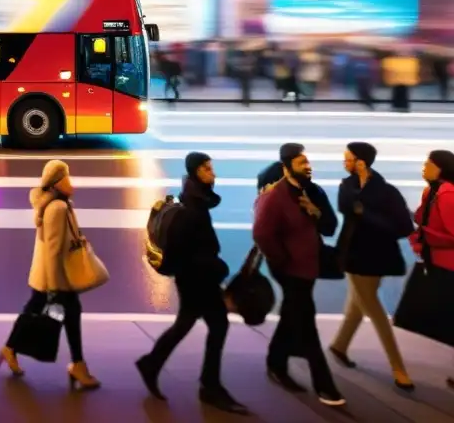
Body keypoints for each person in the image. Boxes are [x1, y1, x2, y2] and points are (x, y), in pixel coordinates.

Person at [136, 153, 248, 414]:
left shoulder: (193, 199)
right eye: (208, 169)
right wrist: (219, 267)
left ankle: (153, 364)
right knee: (216, 324)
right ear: (197, 172)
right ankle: (209, 386)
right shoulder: (194, 209)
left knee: (190, 323)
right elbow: (192, 251)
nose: (213, 173)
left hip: (193, 278)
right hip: (198, 280)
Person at [252, 142, 345, 406]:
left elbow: (329, 227)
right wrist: (281, 260)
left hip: (308, 265)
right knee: (306, 320)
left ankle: (276, 361)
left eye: (308, 162)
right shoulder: (274, 194)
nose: (308, 166)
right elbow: (262, 233)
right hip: (288, 268)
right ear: (286, 166)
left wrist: (315, 213)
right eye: (301, 162)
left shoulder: (313, 192)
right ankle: (325, 386)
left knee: (294, 312)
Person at [0, 159, 99, 391]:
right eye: (67, 177)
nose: (71, 182)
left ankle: (10, 348)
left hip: (47, 274)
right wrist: (55, 288)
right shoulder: (57, 208)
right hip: (56, 276)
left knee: (35, 308)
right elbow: (54, 250)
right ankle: (78, 365)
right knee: (71, 314)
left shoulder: (58, 204)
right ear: (56, 183)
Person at [329, 142, 415, 390]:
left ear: (361, 162)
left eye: (348, 159)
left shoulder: (388, 192)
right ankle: (344, 347)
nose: (344, 162)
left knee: (367, 308)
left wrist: (364, 212)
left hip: (376, 255)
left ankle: (394, 366)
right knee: (366, 305)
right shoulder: (347, 186)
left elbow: (404, 228)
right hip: (353, 255)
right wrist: (361, 210)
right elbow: (345, 209)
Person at [408, 149, 454, 390]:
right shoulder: (432, 191)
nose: (424, 167)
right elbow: (421, 217)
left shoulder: (448, 195)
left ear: (441, 168)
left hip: (449, 265)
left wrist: (426, 235)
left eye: (428, 164)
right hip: (435, 261)